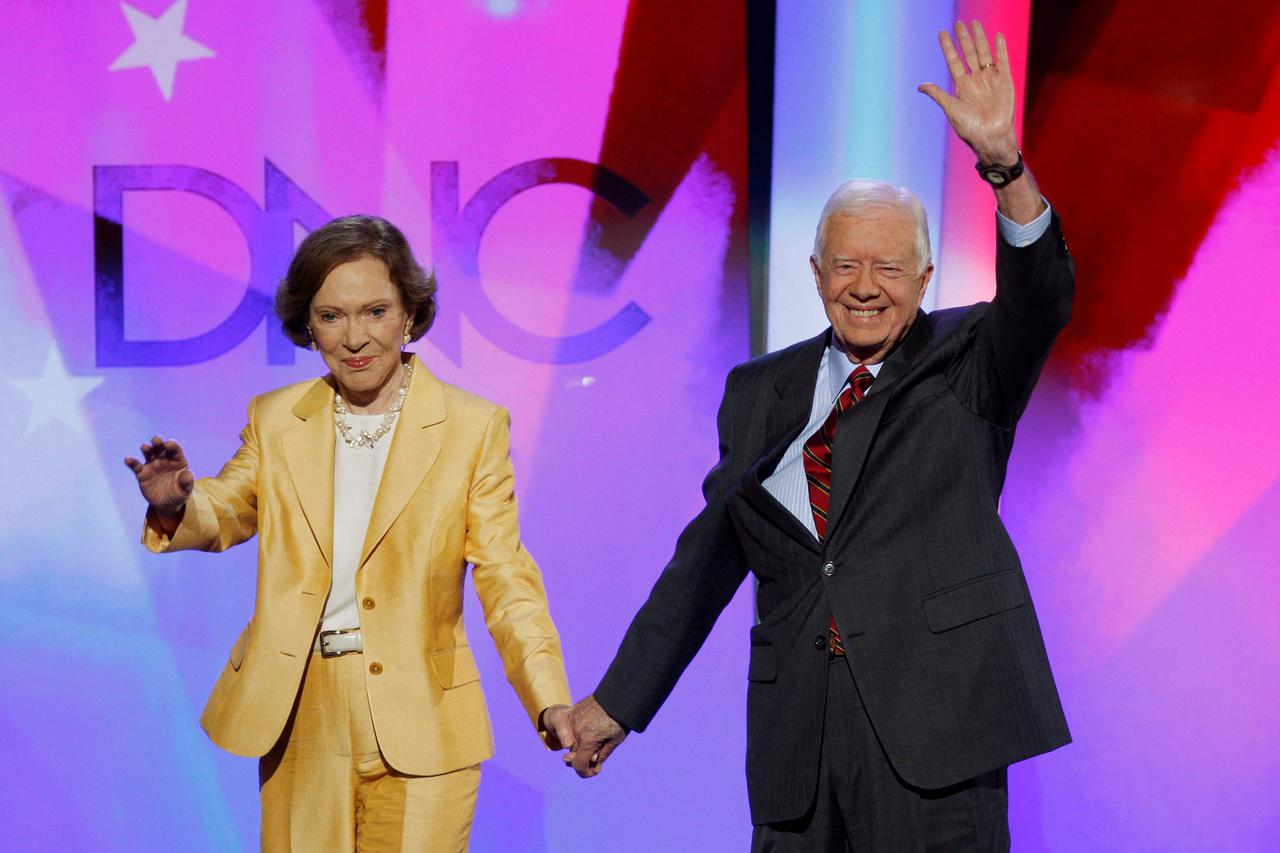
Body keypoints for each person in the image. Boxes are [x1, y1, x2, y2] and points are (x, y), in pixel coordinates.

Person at [564, 21, 1072, 850]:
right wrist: (619, 701)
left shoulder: (970, 360)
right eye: (846, 265)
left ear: (925, 277)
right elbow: (707, 560)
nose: (865, 287)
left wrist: (1004, 165)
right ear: (815, 273)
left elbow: (1042, 295)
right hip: (799, 739)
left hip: (935, 733)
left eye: (889, 267)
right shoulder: (758, 391)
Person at [125, 215, 573, 850]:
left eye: (375, 312)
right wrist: (178, 504)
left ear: (409, 315)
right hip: (300, 710)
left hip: (426, 716)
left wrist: (549, 697)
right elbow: (228, 507)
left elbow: (506, 576)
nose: (355, 337)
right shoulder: (277, 419)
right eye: (331, 316)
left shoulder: (472, 427)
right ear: (309, 326)